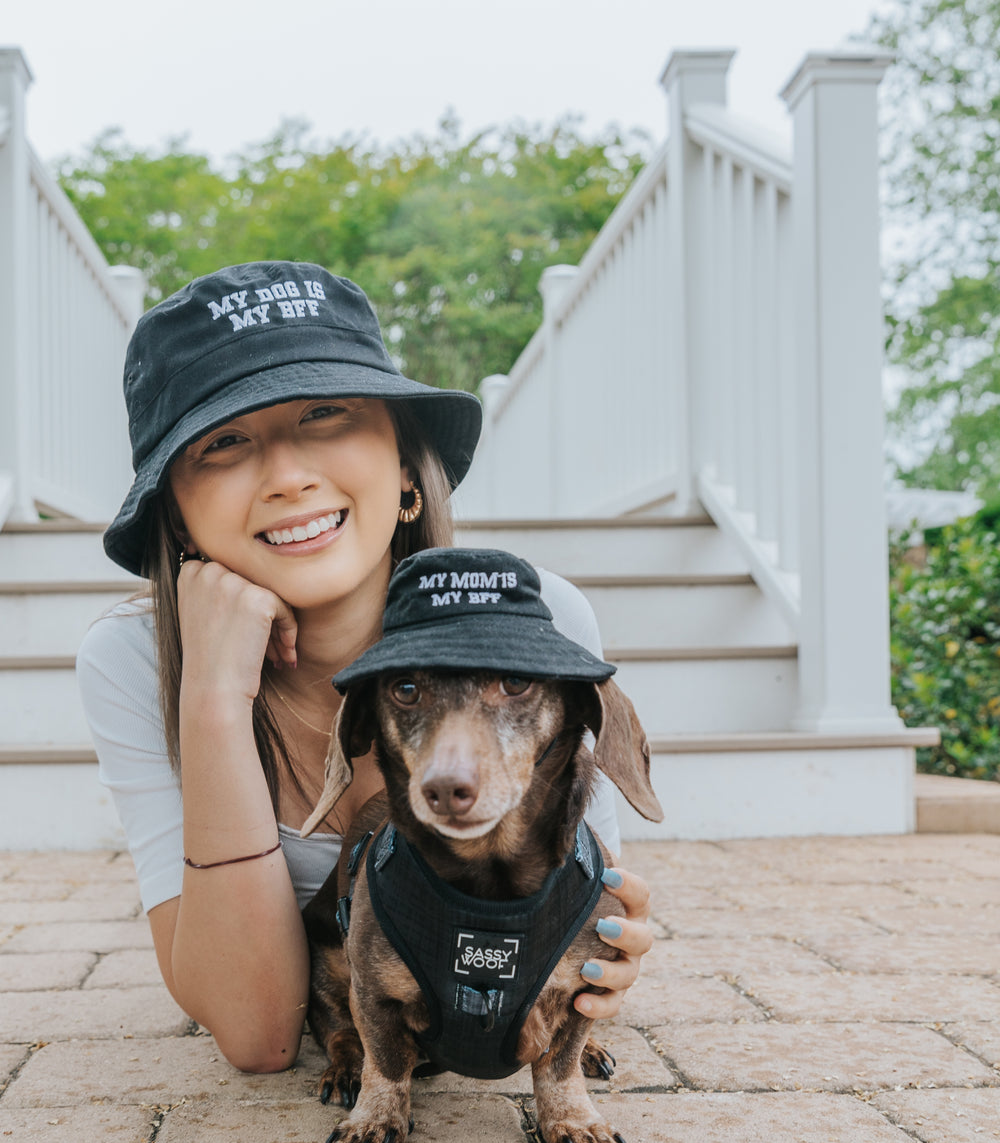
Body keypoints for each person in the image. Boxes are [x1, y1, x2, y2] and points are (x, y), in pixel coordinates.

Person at [76, 261, 654, 1074]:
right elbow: (260, 1035)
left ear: (407, 467)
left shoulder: (537, 624)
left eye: (324, 413)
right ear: (174, 513)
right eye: (225, 442)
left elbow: (575, 924)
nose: (287, 476)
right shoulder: (130, 661)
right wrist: (211, 696)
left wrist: (602, 957)